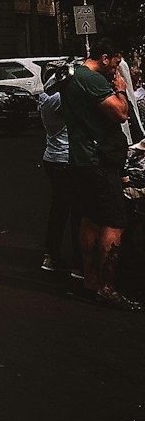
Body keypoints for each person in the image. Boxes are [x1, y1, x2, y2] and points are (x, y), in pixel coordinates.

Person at [59, 37, 139, 310]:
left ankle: (90, 282)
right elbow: (120, 114)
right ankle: (106, 286)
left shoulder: (75, 77)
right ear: (105, 57)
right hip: (98, 162)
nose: (117, 70)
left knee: (91, 219)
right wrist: (121, 91)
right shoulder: (91, 80)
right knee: (114, 221)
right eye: (116, 63)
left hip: (82, 160)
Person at [37, 66, 80, 274]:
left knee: (59, 210)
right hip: (64, 159)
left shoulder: (46, 98)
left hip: (53, 158)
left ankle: (51, 255)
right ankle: (77, 259)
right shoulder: (56, 100)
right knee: (76, 210)